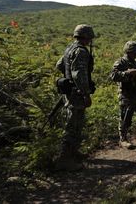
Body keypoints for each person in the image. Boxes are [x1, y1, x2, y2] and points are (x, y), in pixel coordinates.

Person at [55, 24, 96, 171]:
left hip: (69, 92)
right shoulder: (81, 51)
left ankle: (73, 153)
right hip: (77, 94)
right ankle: (64, 160)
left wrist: (68, 78)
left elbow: (59, 65)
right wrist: (85, 94)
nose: (91, 40)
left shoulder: (69, 49)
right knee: (73, 126)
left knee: (77, 124)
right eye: (90, 37)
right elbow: (79, 75)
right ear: (86, 37)